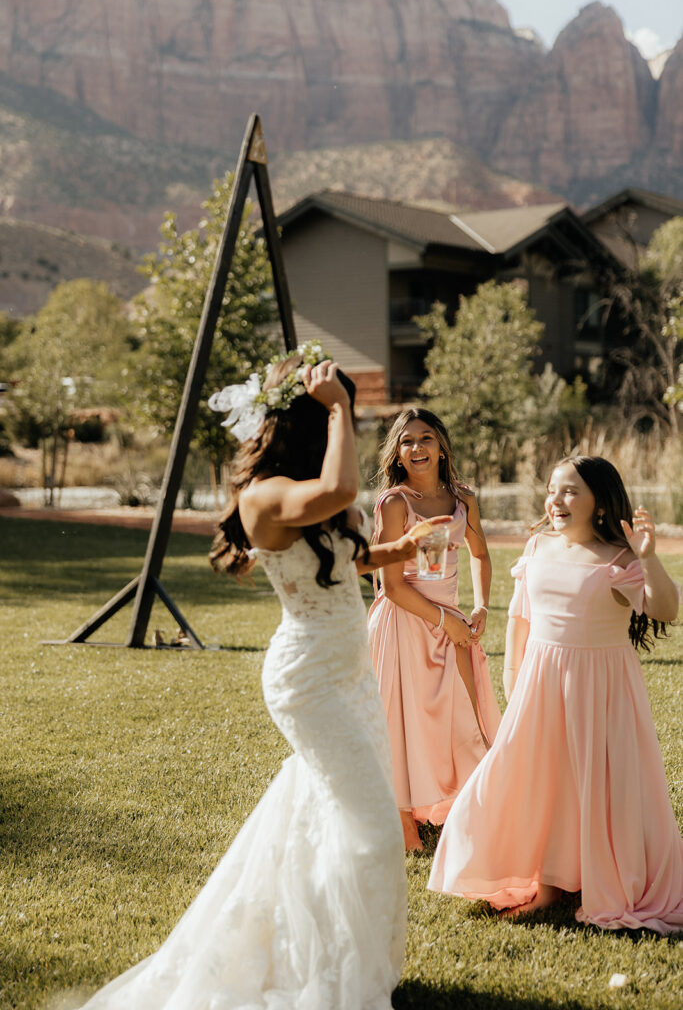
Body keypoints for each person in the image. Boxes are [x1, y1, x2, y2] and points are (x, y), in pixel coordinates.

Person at [75, 345, 444, 1009]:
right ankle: (338, 978)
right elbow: (337, 489)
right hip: (307, 681)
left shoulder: (301, 499)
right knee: (372, 832)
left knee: (319, 818)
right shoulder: (265, 496)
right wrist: (341, 413)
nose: (341, 420)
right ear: (307, 422)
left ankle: (320, 956)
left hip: (348, 675)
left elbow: (341, 562)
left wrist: (403, 548)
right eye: (330, 414)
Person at [429, 455, 683, 933]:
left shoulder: (617, 558)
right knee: (541, 780)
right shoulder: (538, 545)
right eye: (552, 489)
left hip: (602, 688)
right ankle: (548, 885)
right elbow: (521, 622)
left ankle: (591, 874)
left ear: (600, 503)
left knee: (593, 779)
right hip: (539, 683)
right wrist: (512, 682)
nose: (557, 500)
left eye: (571, 491)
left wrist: (648, 558)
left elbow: (667, 610)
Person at [368, 408, 501, 852]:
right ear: (398, 454)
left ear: (441, 445)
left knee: (463, 713)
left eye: (426, 437)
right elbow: (390, 587)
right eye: (407, 441)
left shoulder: (464, 499)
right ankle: (401, 818)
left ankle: (472, 805)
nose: (417, 447)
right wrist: (447, 622)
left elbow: (480, 553)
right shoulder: (394, 504)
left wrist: (480, 605)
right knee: (402, 720)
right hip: (404, 621)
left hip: (452, 622)